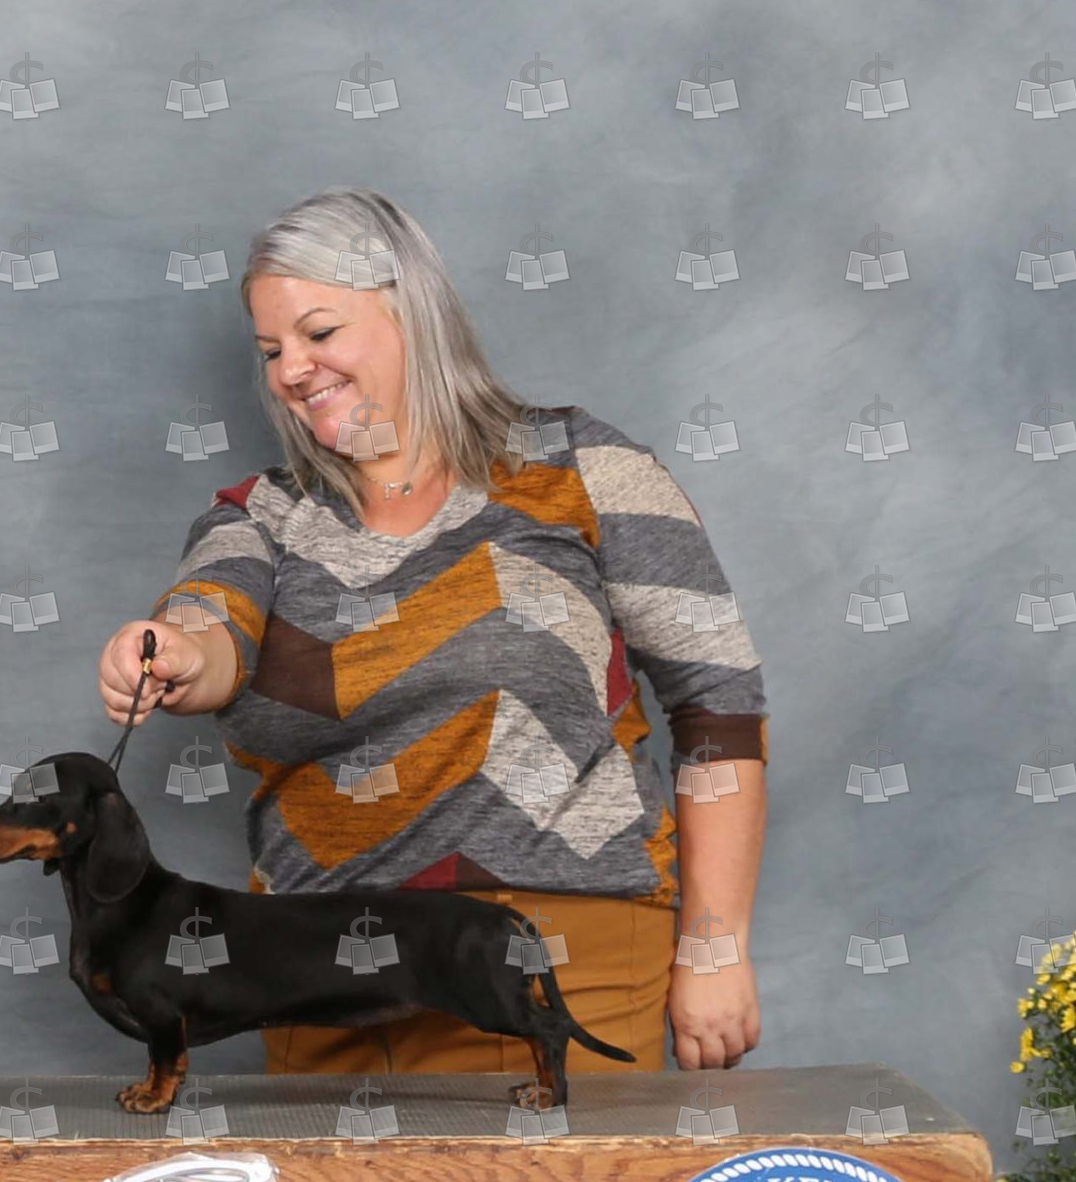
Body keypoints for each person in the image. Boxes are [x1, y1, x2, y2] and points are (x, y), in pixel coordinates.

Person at [98, 188, 765, 1085]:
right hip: (313, 970)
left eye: (318, 333)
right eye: (272, 351)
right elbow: (212, 621)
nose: (293, 369)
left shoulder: (584, 470)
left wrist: (716, 944)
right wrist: (176, 650)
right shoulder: (259, 516)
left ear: (411, 312)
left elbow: (718, 707)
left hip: (552, 952)